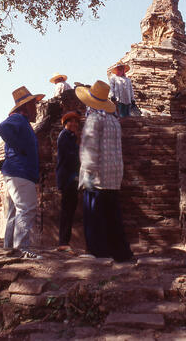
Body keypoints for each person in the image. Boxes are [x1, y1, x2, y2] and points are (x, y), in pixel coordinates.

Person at [75, 80, 133, 261]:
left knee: (94, 216)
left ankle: (97, 252)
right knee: (113, 217)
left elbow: (90, 149)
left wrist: (88, 175)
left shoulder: (94, 119)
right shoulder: (114, 121)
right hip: (114, 176)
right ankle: (121, 253)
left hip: (97, 176)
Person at [0, 86, 45, 259]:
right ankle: (22, 248)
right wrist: (20, 148)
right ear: (26, 107)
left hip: (15, 172)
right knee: (27, 209)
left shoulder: (23, 122)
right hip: (20, 172)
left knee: (14, 213)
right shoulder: (18, 118)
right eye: (34, 105)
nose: (37, 108)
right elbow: (2, 128)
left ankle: (9, 248)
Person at [56, 111, 81, 254]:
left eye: (76, 122)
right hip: (67, 178)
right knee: (67, 210)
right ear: (66, 124)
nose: (74, 124)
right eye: (70, 122)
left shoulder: (71, 137)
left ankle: (64, 242)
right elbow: (70, 158)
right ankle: (63, 243)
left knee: (70, 210)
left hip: (71, 177)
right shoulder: (64, 136)